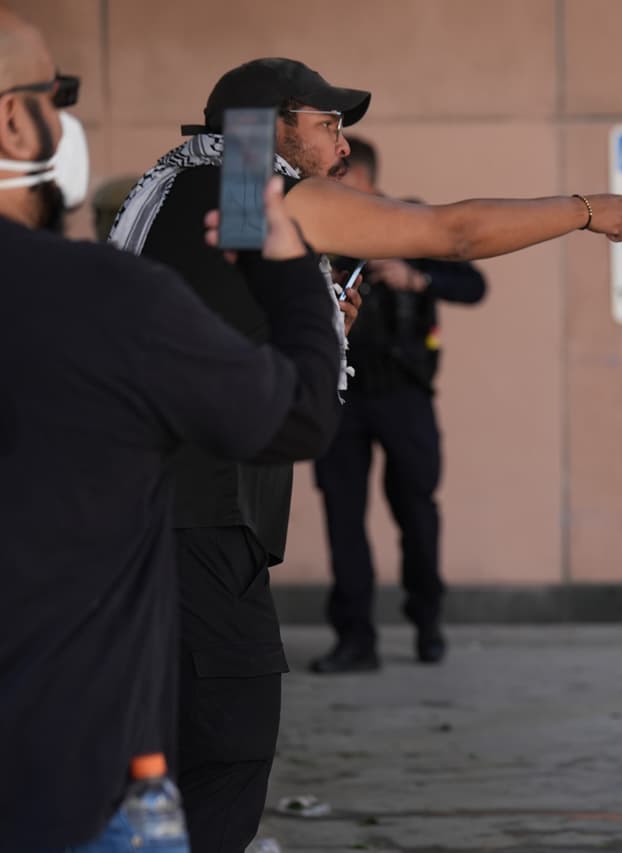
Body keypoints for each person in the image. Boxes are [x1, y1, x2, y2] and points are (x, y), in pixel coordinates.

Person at [109, 57, 622, 853]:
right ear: (271, 125)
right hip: (195, 528)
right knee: (226, 750)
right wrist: (585, 209)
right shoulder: (245, 184)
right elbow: (453, 233)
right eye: (329, 125)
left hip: (132, 524)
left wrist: (315, 314)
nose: (342, 146)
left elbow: (232, 330)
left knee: (157, 755)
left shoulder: (175, 190)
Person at [0, 10, 342, 851]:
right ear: (16, 120)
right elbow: (301, 411)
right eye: (59, 93)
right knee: (229, 737)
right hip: (65, 784)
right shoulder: (108, 296)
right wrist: (296, 281)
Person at [310, 136, 484, 673]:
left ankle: (427, 623)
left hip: (403, 392)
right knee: (343, 517)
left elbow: (472, 282)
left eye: (336, 173)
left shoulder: (409, 223)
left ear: (359, 176)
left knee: (416, 511)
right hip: (341, 394)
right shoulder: (320, 228)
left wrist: (416, 275)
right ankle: (355, 639)